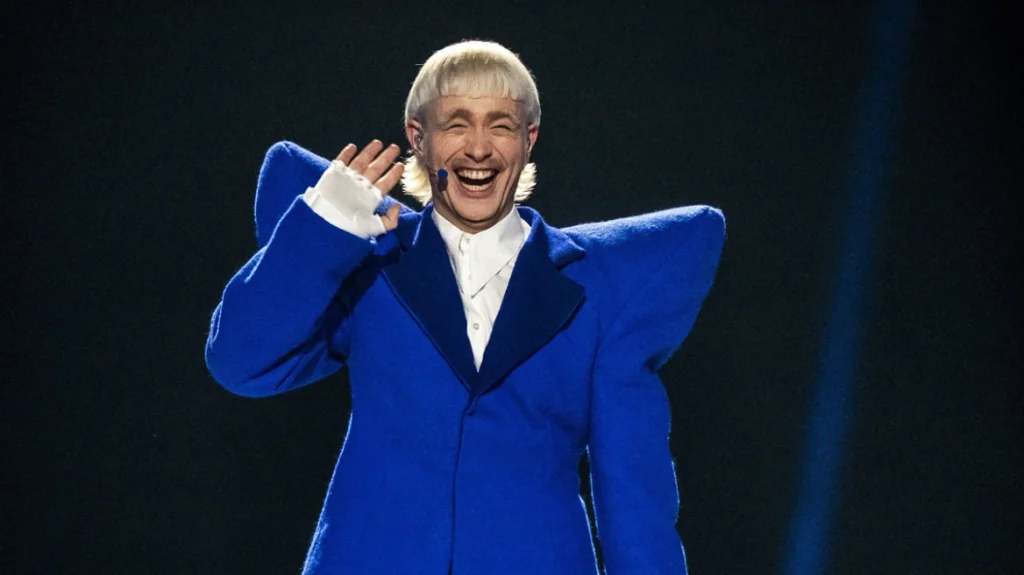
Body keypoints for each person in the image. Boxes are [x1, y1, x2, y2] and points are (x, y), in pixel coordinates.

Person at [205, 40, 725, 575]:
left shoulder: (595, 291)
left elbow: (633, 495)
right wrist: (324, 228)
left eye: (501, 125)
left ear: (528, 140)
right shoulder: (370, 261)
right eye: (457, 124)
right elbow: (241, 364)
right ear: (419, 139)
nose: (478, 148)